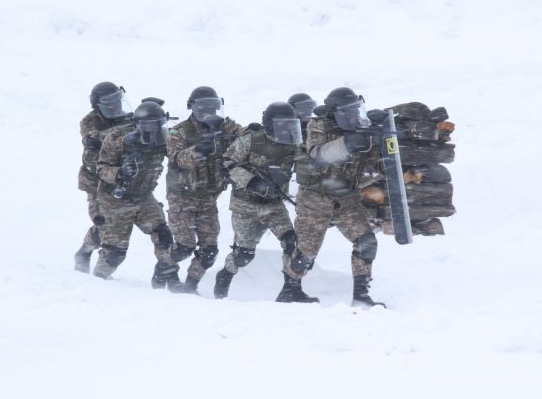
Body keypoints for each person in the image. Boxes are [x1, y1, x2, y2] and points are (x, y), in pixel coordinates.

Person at [279, 87, 385, 307]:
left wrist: (377, 134)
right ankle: (290, 290)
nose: (353, 115)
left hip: (347, 199)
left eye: (355, 109)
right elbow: (318, 155)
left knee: (366, 243)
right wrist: (347, 143)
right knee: (305, 256)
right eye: (347, 111)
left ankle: (361, 296)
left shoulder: (360, 126)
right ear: (334, 112)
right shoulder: (317, 126)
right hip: (315, 201)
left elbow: (374, 162)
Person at [212, 102, 302, 299]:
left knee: (291, 242)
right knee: (244, 255)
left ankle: (291, 289)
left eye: (290, 124)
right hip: (245, 206)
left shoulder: (293, 144)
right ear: (269, 125)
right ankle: (225, 276)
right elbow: (227, 164)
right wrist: (252, 182)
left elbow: (308, 161)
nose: (286, 129)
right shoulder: (250, 140)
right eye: (281, 125)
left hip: (274, 205)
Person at [161, 86, 243, 294]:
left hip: (208, 196)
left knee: (209, 250)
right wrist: (198, 151)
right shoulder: (180, 131)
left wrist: (252, 132)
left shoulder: (225, 125)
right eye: (202, 106)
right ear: (192, 107)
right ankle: (163, 271)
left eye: (212, 106)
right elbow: (177, 158)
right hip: (182, 196)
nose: (208, 111)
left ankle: (190, 287)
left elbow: (245, 137)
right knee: (183, 247)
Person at [91, 101, 175, 282]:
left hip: (144, 196)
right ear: (136, 125)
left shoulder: (163, 137)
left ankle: (166, 278)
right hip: (114, 199)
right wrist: (119, 173)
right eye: (148, 126)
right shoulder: (116, 139)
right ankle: (98, 281)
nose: (153, 131)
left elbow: (179, 150)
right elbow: (101, 169)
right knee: (115, 253)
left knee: (163, 235)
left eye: (157, 125)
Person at [74, 82, 133, 273]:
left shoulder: (126, 117)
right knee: (103, 222)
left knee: (113, 223)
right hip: (95, 181)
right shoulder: (89, 121)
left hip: (119, 178)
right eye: (110, 102)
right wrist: (126, 130)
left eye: (117, 100)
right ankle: (85, 251)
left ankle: (101, 267)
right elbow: (92, 140)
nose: (115, 105)